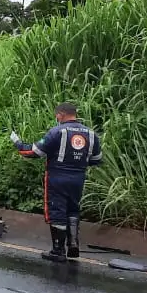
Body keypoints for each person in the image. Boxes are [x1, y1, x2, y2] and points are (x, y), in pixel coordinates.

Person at [12, 102, 103, 262]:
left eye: (57, 115)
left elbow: (33, 152)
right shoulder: (91, 134)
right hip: (78, 179)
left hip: (57, 178)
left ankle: (58, 250)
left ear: (61, 114)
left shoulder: (57, 132)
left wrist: (18, 144)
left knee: (57, 211)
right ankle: (73, 244)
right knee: (73, 209)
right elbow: (96, 159)